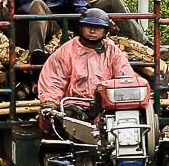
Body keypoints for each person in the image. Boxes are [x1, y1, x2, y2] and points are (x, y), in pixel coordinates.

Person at [36, 7, 141, 141]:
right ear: (81, 28)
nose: (92, 31)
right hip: (75, 105)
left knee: (126, 125)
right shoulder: (67, 51)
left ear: (105, 30)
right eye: (88, 26)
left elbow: (124, 77)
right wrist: (50, 103)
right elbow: (53, 80)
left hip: (105, 107)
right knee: (68, 121)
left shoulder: (112, 51)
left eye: (97, 27)